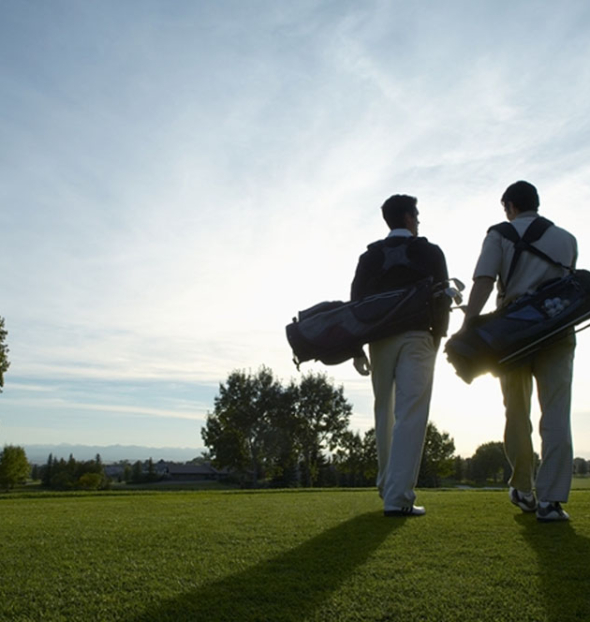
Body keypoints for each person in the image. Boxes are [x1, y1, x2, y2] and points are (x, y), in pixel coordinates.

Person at [463, 180, 578, 522]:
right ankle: (552, 502)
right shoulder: (567, 238)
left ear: (510, 207)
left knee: (516, 411)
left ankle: (524, 488)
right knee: (556, 413)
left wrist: (468, 325)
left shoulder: (498, 234)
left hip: (512, 333)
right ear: (536, 203)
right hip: (557, 327)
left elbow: (484, 280)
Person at [351, 194, 450, 517]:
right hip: (419, 336)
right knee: (411, 415)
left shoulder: (370, 257)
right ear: (408, 217)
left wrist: (356, 349)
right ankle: (399, 497)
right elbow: (443, 296)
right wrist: (440, 336)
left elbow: (356, 304)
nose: (418, 220)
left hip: (378, 340)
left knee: (385, 412)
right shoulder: (430, 251)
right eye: (416, 215)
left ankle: (387, 487)